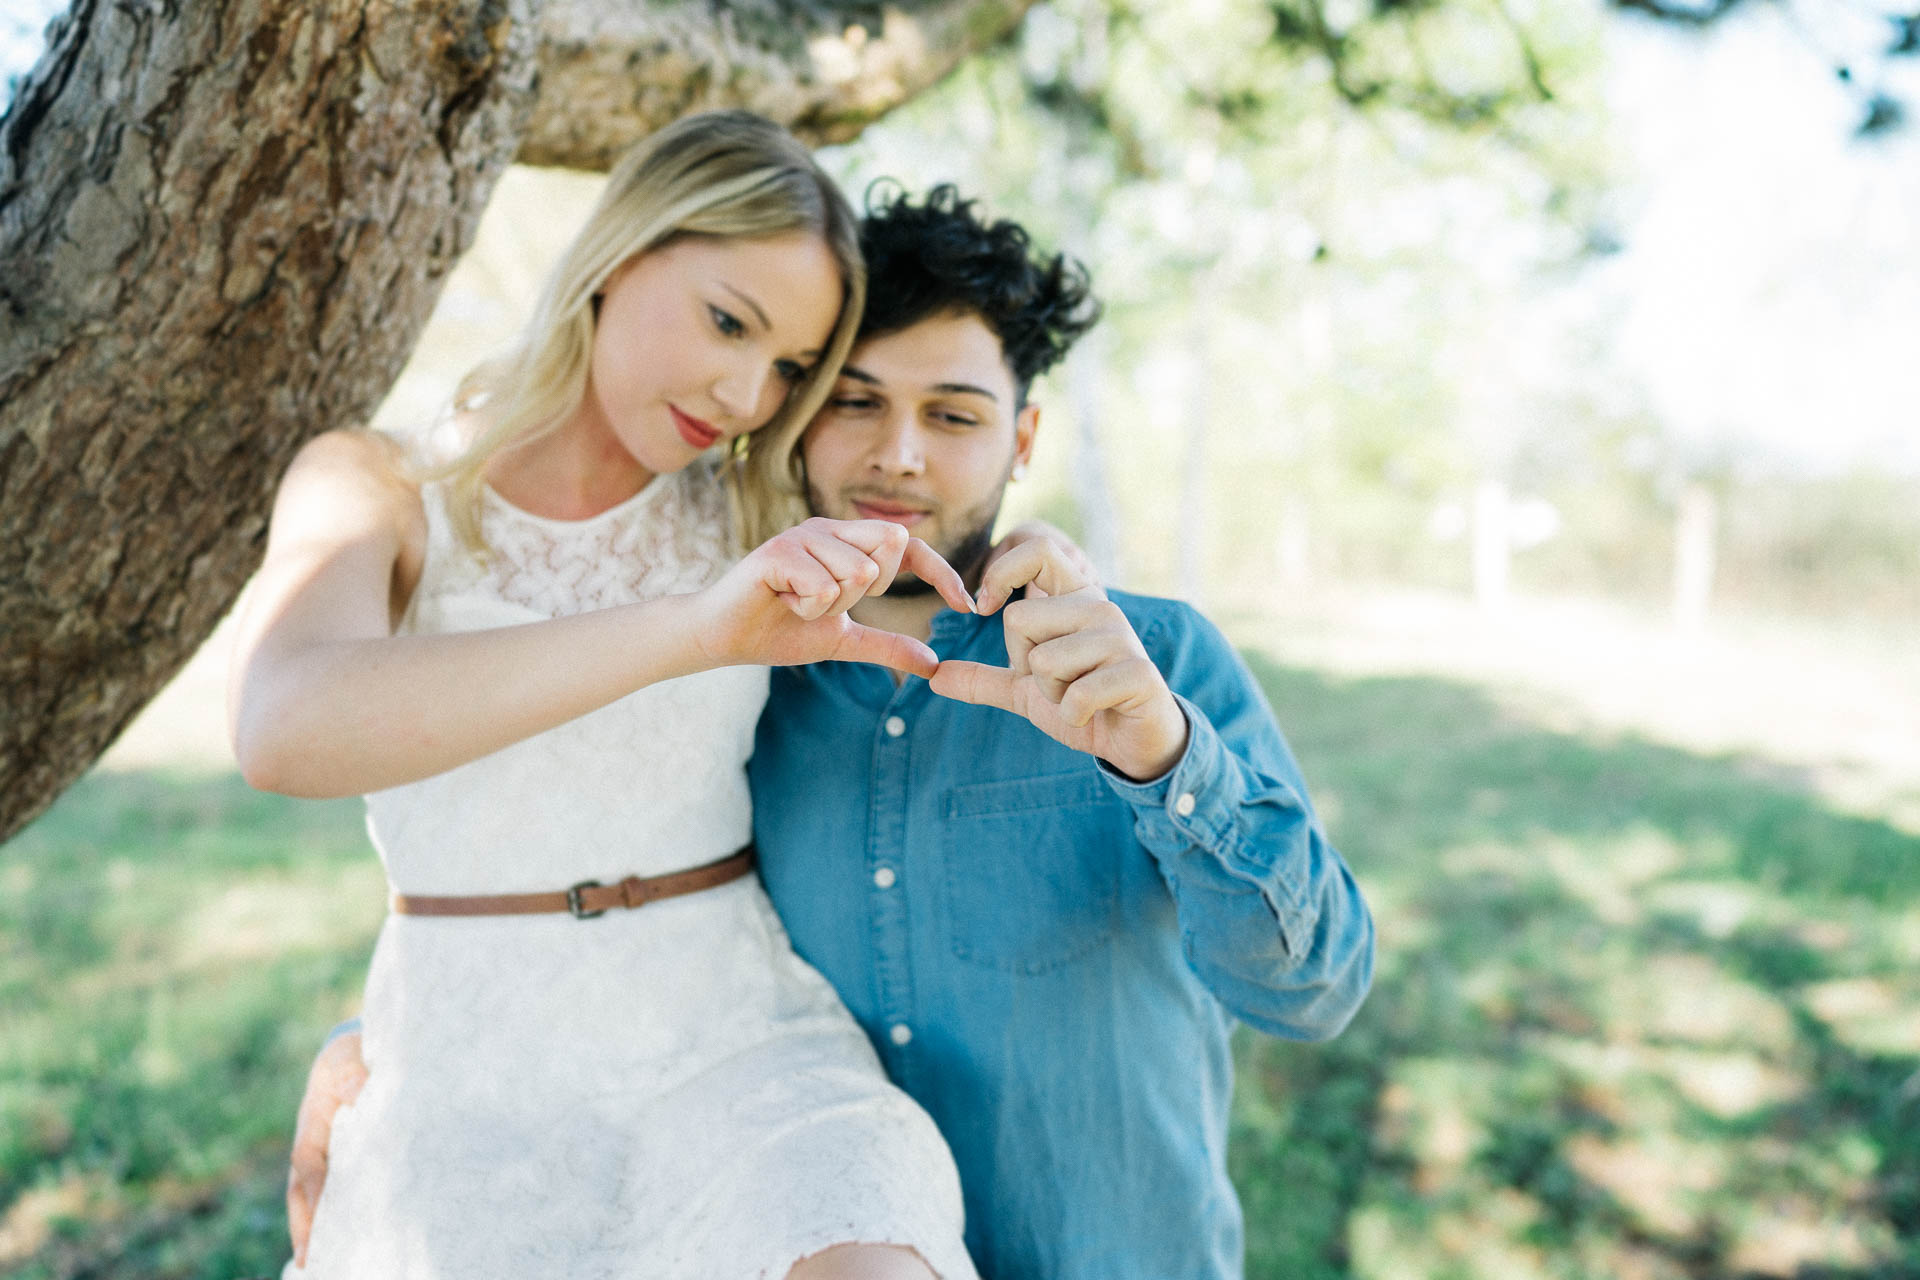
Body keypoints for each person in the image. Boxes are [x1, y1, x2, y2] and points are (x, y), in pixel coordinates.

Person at [291, 184, 1376, 1278]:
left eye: (954, 415)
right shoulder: (748, 677)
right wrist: (394, 1044)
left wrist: (1164, 752)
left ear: (1023, 437)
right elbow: (587, 841)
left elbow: (1315, 988)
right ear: (796, 419)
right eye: (854, 402)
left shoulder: (1148, 666)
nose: (899, 454)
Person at [232, 112, 980, 1280]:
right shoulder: (377, 483)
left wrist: (1042, 562)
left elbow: (943, 582)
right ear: (619, 254)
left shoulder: (755, 510)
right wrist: (692, 631)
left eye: (789, 366)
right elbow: (282, 728)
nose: (746, 393)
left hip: (736, 1035)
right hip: (468, 1056)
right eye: (729, 321)